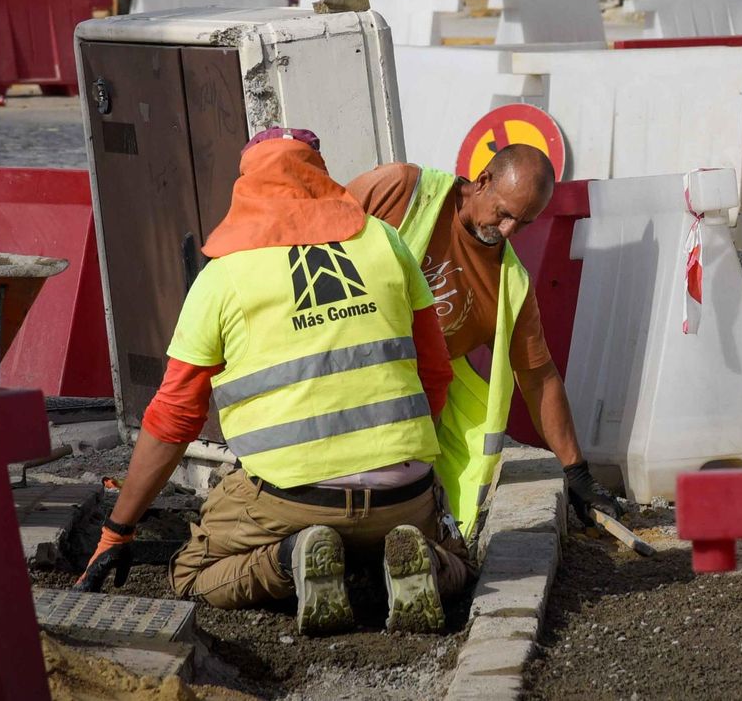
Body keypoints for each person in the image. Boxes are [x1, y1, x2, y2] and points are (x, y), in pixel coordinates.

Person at [75, 128, 470, 636]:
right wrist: (400, 461)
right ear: (319, 175)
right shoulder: (386, 242)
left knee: (192, 573)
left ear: (247, 187)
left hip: (293, 500)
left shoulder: (223, 276)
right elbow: (436, 372)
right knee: (456, 552)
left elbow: (174, 416)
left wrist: (117, 530)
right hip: (403, 495)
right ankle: (417, 565)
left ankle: (291, 557)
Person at [345, 146, 621, 538]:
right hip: (340, 384)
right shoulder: (404, 190)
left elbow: (538, 377)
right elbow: (317, 235)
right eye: (505, 213)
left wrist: (576, 472)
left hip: (408, 423)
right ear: (483, 180)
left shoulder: (510, 286)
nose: (508, 231)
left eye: (524, 223)